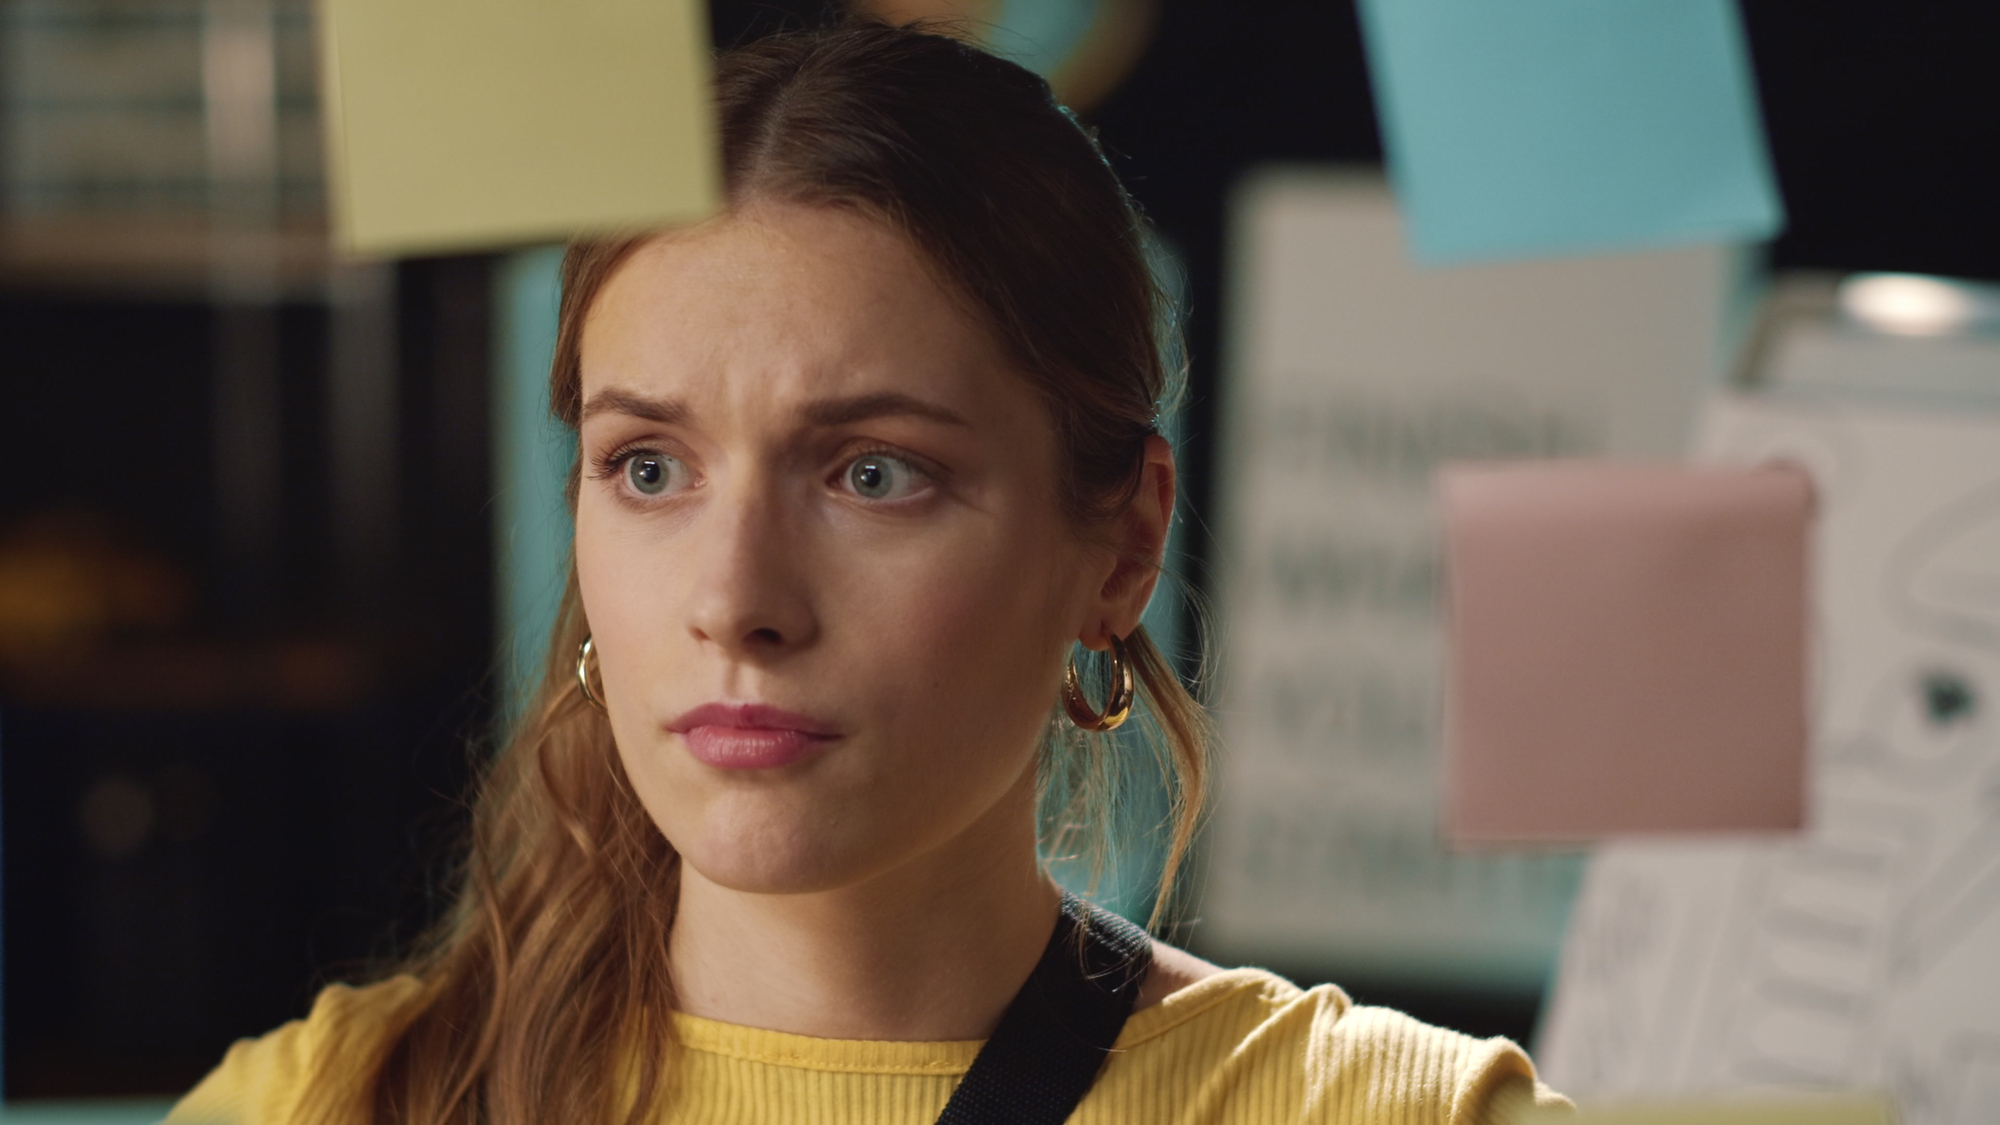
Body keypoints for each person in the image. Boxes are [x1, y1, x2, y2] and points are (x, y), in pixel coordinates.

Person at [168, 19, 1567, 1125]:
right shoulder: (330, 1103)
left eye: (872, 472)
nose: (736, 598)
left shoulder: (1396, 1115)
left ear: (1123, 544)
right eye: (649, 467)